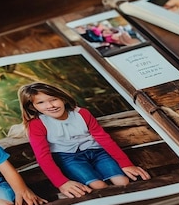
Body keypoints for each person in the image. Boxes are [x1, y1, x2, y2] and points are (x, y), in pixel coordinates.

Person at [18, 82, 151, 198]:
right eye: (40, 102)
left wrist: (126, 164)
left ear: (63, 99)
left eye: (53, 99)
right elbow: (43, 156)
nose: (50, 105)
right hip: (68, 157)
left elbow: (104, 139)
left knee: (123, 182)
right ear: (32, 107)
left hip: (97, 152)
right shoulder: (36, 124)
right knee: (99, 186)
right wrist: (61, 183)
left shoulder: (81, 114)